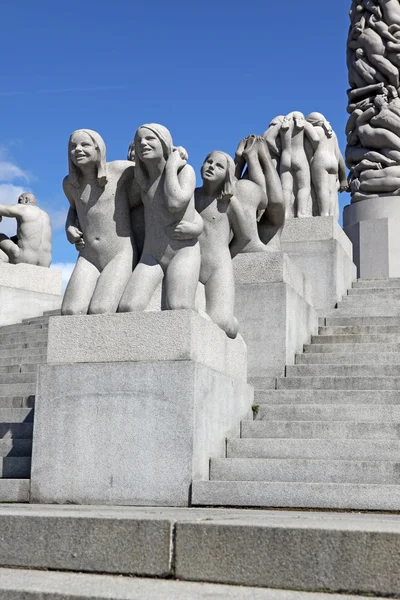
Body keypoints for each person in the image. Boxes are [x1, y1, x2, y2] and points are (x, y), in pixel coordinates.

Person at [118, 124, 202, 313]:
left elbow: (175, 203)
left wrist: (171, 166)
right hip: (152, 255)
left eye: (150, 139)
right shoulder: (142, 180)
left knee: (179, 307)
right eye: (139, 140)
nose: (143, 144)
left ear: (164, 142)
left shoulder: (185, 171)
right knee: (128, 307)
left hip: (182, 252)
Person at [62, 129, 137, 315]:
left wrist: (175, 152)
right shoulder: (70, 184)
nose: (77, 150)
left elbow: (155, 168)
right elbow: (74, 210)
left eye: (84, 144)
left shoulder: (120, 170)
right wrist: (69, 227)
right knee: (70, 310)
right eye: (73, 146)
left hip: (118, 254)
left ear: (98, 148)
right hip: (88, 255)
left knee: (101, 309)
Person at [195, 151, 253, 338]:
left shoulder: (228, 203)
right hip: (192, 262)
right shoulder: (191, 196)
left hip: (218, 267)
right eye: (208, 161)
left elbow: (244, 236)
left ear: (227, 174)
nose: (211, 166)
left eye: (219, 166)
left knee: (222, 322)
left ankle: (232, 322)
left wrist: (225, 256)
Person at [306, 113, 349, 217]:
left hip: (320, 160)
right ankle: (332, 215)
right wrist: (343, 178)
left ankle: (324, 214)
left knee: (322, 188)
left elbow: (308, 153)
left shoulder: (314, 131)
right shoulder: (332, 133)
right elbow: (339, 155)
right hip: (333, 162)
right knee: (332, 190)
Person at [0, 192, 52, 267]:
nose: (18, 203)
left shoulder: (24, 208)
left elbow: (2, 209)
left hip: (23, 258)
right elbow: (30, 236)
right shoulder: (46, 215)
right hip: (45, 263)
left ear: (26, 200)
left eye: (19, 200)